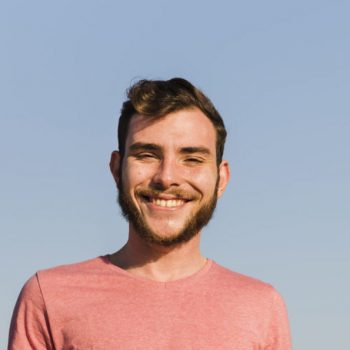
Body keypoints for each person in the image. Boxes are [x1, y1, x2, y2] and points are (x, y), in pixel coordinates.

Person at [8, 78, 292, 349]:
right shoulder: (49, 296)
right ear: (117, 169)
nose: (167, 177)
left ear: (221, 179)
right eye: (147, 155)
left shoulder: (261, 306)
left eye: (192, 159)